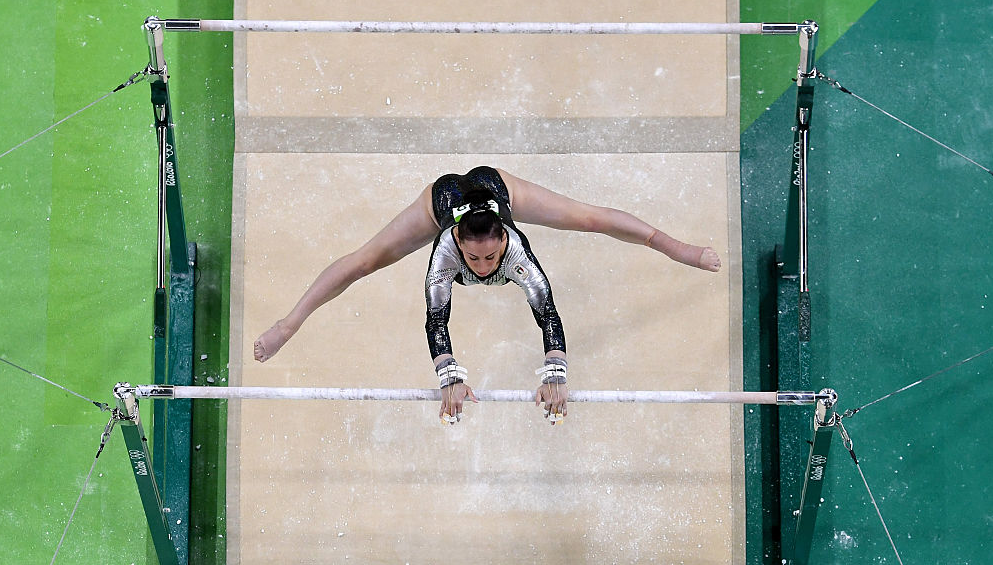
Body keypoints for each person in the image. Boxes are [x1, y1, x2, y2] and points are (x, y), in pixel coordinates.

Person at [253, 166, 721, 424]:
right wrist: (449, 377)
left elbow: (547, 310)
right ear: (456, 242)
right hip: (445, 198)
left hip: (496, 186)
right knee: (366, 260)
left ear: (504, 238)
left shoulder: (516, 250)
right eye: (473, 261)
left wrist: (556, 372)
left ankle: (675, 246)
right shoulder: (442, 252)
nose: (481, 268)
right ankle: (289, 322)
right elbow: (437, 321)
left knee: (588, 218)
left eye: (489, 258)